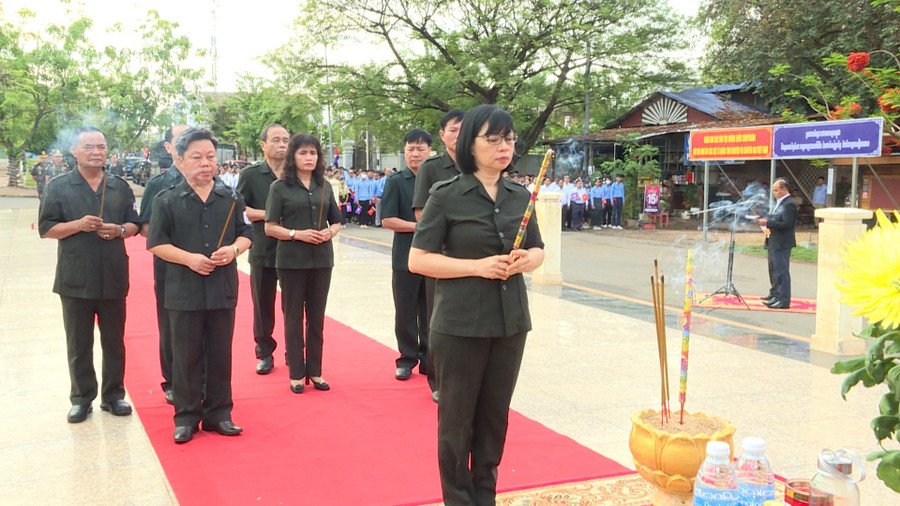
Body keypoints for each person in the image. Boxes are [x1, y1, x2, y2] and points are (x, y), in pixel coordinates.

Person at [408, 104, 545, 505]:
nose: (505, 146)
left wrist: (527, 261)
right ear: (471, 144)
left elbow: (537, 249)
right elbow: (419, 260)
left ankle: (486, 496)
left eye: (509, 139)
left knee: (493, 418)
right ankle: (458, 500)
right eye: (494, 139)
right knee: (456, 422)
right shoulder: (447, 195)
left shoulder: (520, 195)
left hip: (509, 323)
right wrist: (478, 267)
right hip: (460, 324)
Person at [148, 127, 252, 443]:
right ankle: (186, 417)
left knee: (220, 354)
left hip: (222, 288)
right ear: (179, 161)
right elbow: (156, 243)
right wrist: (189, 259)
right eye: (197, 157)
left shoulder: (232, 198)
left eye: (210, 157)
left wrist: (233, 250)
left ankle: (219, 413)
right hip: (183, 290)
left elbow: (247, 234)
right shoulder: (166, 200)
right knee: (185, 355)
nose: (205, 163)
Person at [38, 126, 141, 423]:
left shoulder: (120, 186)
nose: (97, 152)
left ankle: (114, 396)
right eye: (89, 147)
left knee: (114, 341)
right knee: (79, 342)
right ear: (74, 151)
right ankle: (82, 398)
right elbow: (47, 229)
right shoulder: (58, 186)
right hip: (75, 277)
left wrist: (120, 230)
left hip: (113, 274)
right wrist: (78, 225)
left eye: (101, 146)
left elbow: (134, 224)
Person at [264, 134, 342, 394]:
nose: (309, 158)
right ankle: (296, 373)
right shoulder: (280, 187)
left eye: (313, 153)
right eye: (303, 153)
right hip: (291, 261)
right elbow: (270, 227)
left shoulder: (325, 186)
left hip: (322, 260)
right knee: (294, 317)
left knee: (317, 318)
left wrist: (329, 233)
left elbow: (337, 221)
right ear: (292, 156)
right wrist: (296, 234)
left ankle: (316, 371)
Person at [411, 108, 465, 403]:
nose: (459, 134)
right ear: (442, 135)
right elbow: (421, 213)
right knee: (438, 318)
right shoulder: (431, 168)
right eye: (453, 130)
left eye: (465, 129)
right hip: (441, 256)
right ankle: (439, 379)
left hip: (474, 257)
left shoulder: (480, 164)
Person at [382, 128, 435, 393]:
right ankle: (406, 358)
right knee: (405, 310)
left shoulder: (438, 178)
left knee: (431, 310)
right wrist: (420, 227)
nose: (415, 154)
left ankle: (429, 358)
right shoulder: (396, 181)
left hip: (434, 258)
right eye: (410, 149)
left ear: (430, 151)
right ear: (404, 152)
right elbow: (387, 219)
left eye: (420, 149)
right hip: (404, 257)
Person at [139, 124, 190, 405]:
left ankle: (201, 380)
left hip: (206, 268)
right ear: (169, 147)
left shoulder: (211, 181)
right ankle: (171, 381)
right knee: (171, 326)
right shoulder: (157, 185)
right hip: (170, 268)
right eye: (180, 140)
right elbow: (146, 228)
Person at [237, 124, 289, 375]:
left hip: (294, 249)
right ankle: (265, 352)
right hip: (263, 248)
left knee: (293, 304)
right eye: (276, 140)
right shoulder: (251, 175)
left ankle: (295, 351)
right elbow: (239, 209)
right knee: (262, 303)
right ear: (263, 145)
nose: (282, 145)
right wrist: (271, 215)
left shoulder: (297, 172)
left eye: (286, 140)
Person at [756, 178, 796, 310]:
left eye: (776, 190)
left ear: (785, 190)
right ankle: (775, 294)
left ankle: (783, 299)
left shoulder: (789, 203)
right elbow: (775, 218)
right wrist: (766, 220)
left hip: (782, 242)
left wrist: (768, 223)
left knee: (781, 271)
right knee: (773, 270)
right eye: (773, 190)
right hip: (773, 240)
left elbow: (788, 224)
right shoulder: (779, 202)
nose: (774, 193)